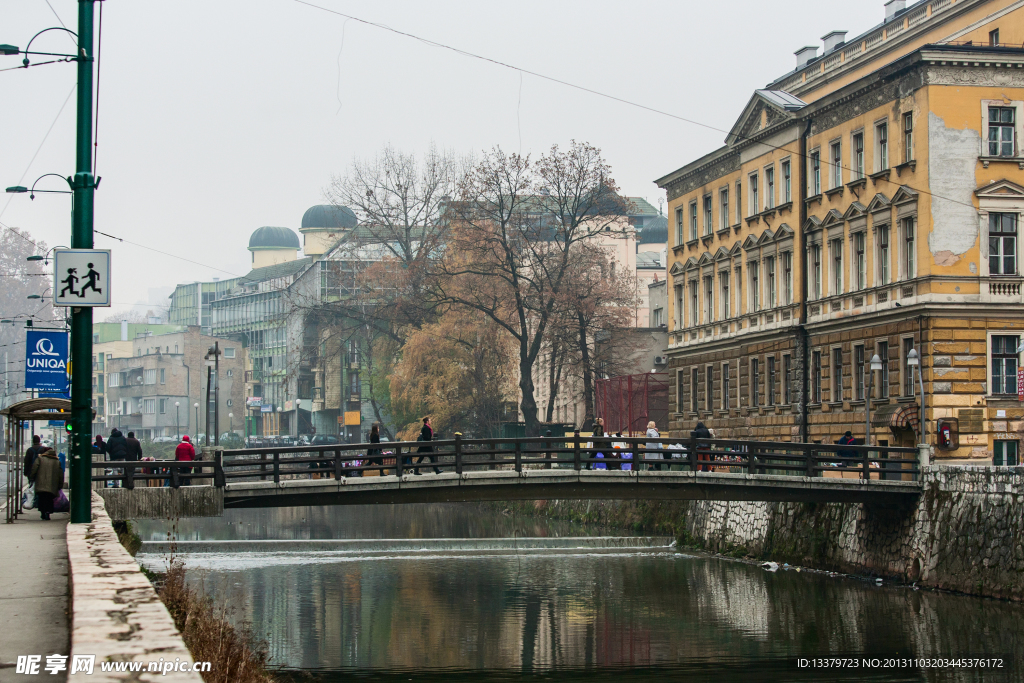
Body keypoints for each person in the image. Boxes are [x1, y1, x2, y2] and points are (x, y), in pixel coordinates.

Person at [30, 447, 63, 521]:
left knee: (41, 498)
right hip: (52, 485)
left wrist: (32, 478)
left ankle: (42, 513)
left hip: (40, 483)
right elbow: (60, 474)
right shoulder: (57, 461)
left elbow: (34, 469)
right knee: (49, 499)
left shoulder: (40, 459)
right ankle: (48, 513)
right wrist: (60, 484)